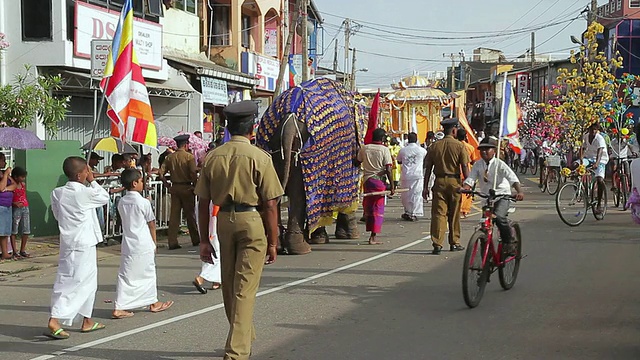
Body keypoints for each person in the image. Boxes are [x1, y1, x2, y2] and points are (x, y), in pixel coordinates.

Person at [195, 100, 282, 360]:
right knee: (244, 288)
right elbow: (270, 204)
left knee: (230, 286)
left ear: (228, 128)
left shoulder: (213, 156)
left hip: (223, 222)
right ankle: (236, 352)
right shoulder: (260, 157)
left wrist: (202, 240)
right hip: (251, 220)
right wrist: (273, 241)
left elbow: (202, 202)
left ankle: (244, 335)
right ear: (252, 128)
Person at [47, 157, 110, 340]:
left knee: (87, 281)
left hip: (70, 241)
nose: (87, 173)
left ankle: (87, 320)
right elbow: (104, 197)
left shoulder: (57, 193)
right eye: (85, 171)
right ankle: (55, 318)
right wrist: (92, 180)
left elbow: (58, 215)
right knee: (73, 282)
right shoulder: (82, 192)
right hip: (82, 243)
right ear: (79, 174)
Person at [112, 169, 174, 319]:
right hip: (142, 242)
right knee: (148, 273)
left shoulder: (121, 201)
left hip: (128, 243)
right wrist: (154, 242)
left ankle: (120, 305)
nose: (142, 183)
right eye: (140, 181)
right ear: (134, 183)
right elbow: (151, 224)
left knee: (126, 275)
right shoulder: (143, 202)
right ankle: (153, 302)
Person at [461, 137, 524, 255]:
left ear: (494, 151)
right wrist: (465, 188)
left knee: (499, 218)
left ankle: (509, 241)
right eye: (482, 149)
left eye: (487, 149)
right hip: (487, 198)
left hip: (502, 196)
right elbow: (471, 179)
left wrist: (519, 192)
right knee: (485, 226)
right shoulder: (478, 165)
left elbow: (513, 179)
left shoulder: (500, 164)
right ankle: (487, 255)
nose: (484, 152)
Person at [423, 118, 469, 255]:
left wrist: (425, 187)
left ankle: (437, 244)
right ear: (454, 130)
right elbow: (465, 167)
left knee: (438, 214)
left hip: (439, 182)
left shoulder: (434, 146)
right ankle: (454, 242)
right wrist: (468, 184)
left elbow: (428, 169)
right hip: (454, 182)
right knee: (454, 214)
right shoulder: (460, 146)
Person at [159, 134, 200, 250]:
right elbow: (192, 172)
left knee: (174, 216)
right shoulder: (189, 157)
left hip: (175, 188)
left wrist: (167, 185)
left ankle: (172, 241)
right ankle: (195, 239)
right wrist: (195, 185)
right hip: (187, 188)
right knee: (190, 215)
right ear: (186, 145)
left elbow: (161, 173)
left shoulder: (169, 157)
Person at [356, 128, 396, 245]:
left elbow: (357, 161)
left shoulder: (365, 148)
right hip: (378, 182)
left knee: (369, 207)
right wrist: (392, 186)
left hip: (367, 180)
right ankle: (373, 236)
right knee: (377, 208)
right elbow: (388, 169)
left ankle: (371, 233)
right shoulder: (384, 150)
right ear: (383, 138)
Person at [396, 132, 427, 221]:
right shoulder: (422, 150)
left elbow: (398, 161)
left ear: (408, 139)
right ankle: (414, 213)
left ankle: (408, 211)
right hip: (417, 175)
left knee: (406, 195)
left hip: (406, 175)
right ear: (416, 139)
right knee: (416, 194)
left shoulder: (403, 150)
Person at [192, 203, 222, 294]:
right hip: (214, 208)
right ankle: (202, 277)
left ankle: (216, 280)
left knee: (214, 245)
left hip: (205, 207)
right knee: (216, 246)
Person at [580, 122, 609, 214]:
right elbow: (583, 148)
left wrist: (597, 163)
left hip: (600, 160)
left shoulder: (599, 138)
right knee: (575, 166)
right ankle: (580, 186)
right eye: (591, 129)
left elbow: (600, 151)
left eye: (595, 129)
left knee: (599, 180)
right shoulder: (585, 136)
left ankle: (599, 204)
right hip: (588, 158)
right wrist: (581, 158)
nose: (593, 131)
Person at [457, 128, 479, 218]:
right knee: (466, 193)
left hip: (455, 172)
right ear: (466, 136)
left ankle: (456, 210)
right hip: (466, 172)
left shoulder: (455, 146)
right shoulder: (470, 147)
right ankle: (463, 211)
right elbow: (473, 161)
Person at [11, 167, 30, 258]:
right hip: (16, 208)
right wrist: (13, 203)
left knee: (26, 230)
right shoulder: (12, 185)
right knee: (14, 230)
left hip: (25, 207)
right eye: (21, 177)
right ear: (16, 176)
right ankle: (14, 251)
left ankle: (22, 250)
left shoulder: (23, 184)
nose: (23, 178)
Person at [0, 153, 16, 260]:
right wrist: (5, 175)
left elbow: (14, 185)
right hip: (1, 205)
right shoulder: (4, 174)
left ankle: (5, 251)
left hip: (7, 205)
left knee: (6, 230)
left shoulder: (4, 173)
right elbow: (1, 187)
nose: (5, 162)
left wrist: (7, 188)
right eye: (3, 160)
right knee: (1, 230)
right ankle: (4, 252)